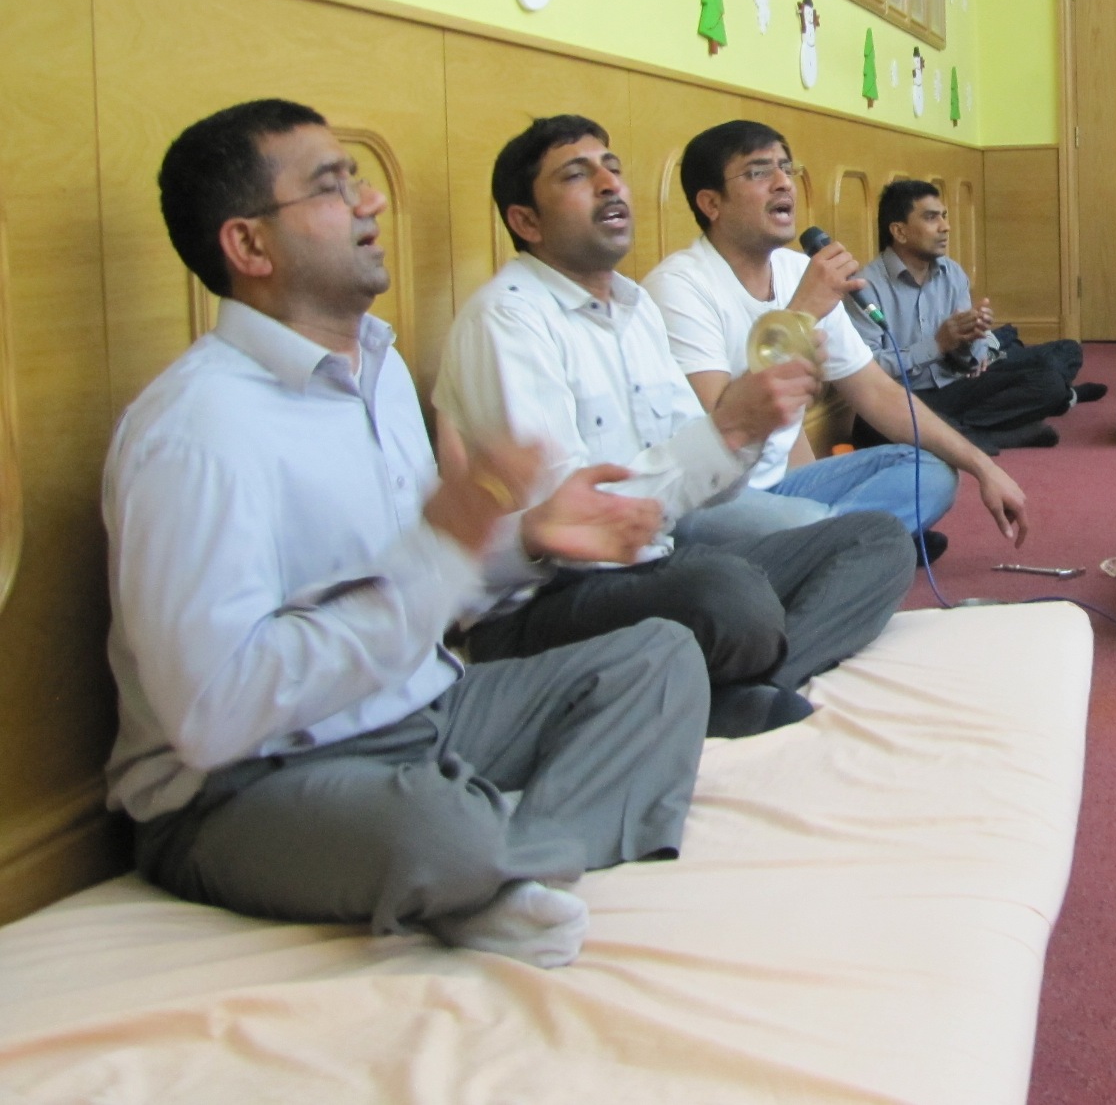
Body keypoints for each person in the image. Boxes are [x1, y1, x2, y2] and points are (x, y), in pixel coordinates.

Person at [108, 99, 704, 969]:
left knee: (658, 658)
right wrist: (439, 553)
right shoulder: (195, 429)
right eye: (329, 186)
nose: (370, 203)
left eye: (357, 178)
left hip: (428, 705)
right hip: (250, 781)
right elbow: (212, 714)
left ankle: (500, 864)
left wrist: (530, 537)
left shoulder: (374, 370)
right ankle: (477, 857)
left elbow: (426, 571)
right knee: (435, 827)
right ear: (250, 246)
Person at [434, 116, 913, 737]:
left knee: (876, 541)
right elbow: (571, 526)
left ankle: (738, 686)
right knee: (727, 593)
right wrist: (725, 432)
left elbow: (703, 484)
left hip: (661, 555)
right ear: (526, 221)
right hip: (549, 599)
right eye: (578, 176)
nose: (610, 184)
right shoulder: (508, 321)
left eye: (613, 168)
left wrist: (749, 426)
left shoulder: (633, 309)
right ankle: (711, 673)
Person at [644, 120, 1029, 559]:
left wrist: (982, 466)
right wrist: (802, 312)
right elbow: (724, 424)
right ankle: (856, 544)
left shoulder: (794, 269)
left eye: (785, 168)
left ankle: (841, 547)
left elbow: (877, 392)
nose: (783, 183)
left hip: (788, 489)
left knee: (932, 473)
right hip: (712, 498)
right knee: (807, 523)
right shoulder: (680, 286)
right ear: (711, 203)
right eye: (758, 172)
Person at [851, 178, 1099, 454]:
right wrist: (936, 345)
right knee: (870, 427)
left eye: (944, 216)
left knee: (1048, 380)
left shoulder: (952, 272)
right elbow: (865, 370)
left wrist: (972, 339)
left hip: (956, 385)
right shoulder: (866, 287)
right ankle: (999, 434)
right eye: (931, 218)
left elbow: (969, 361)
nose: (945, 227)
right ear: (899, 231)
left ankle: (964, 436)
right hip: (904, 398)